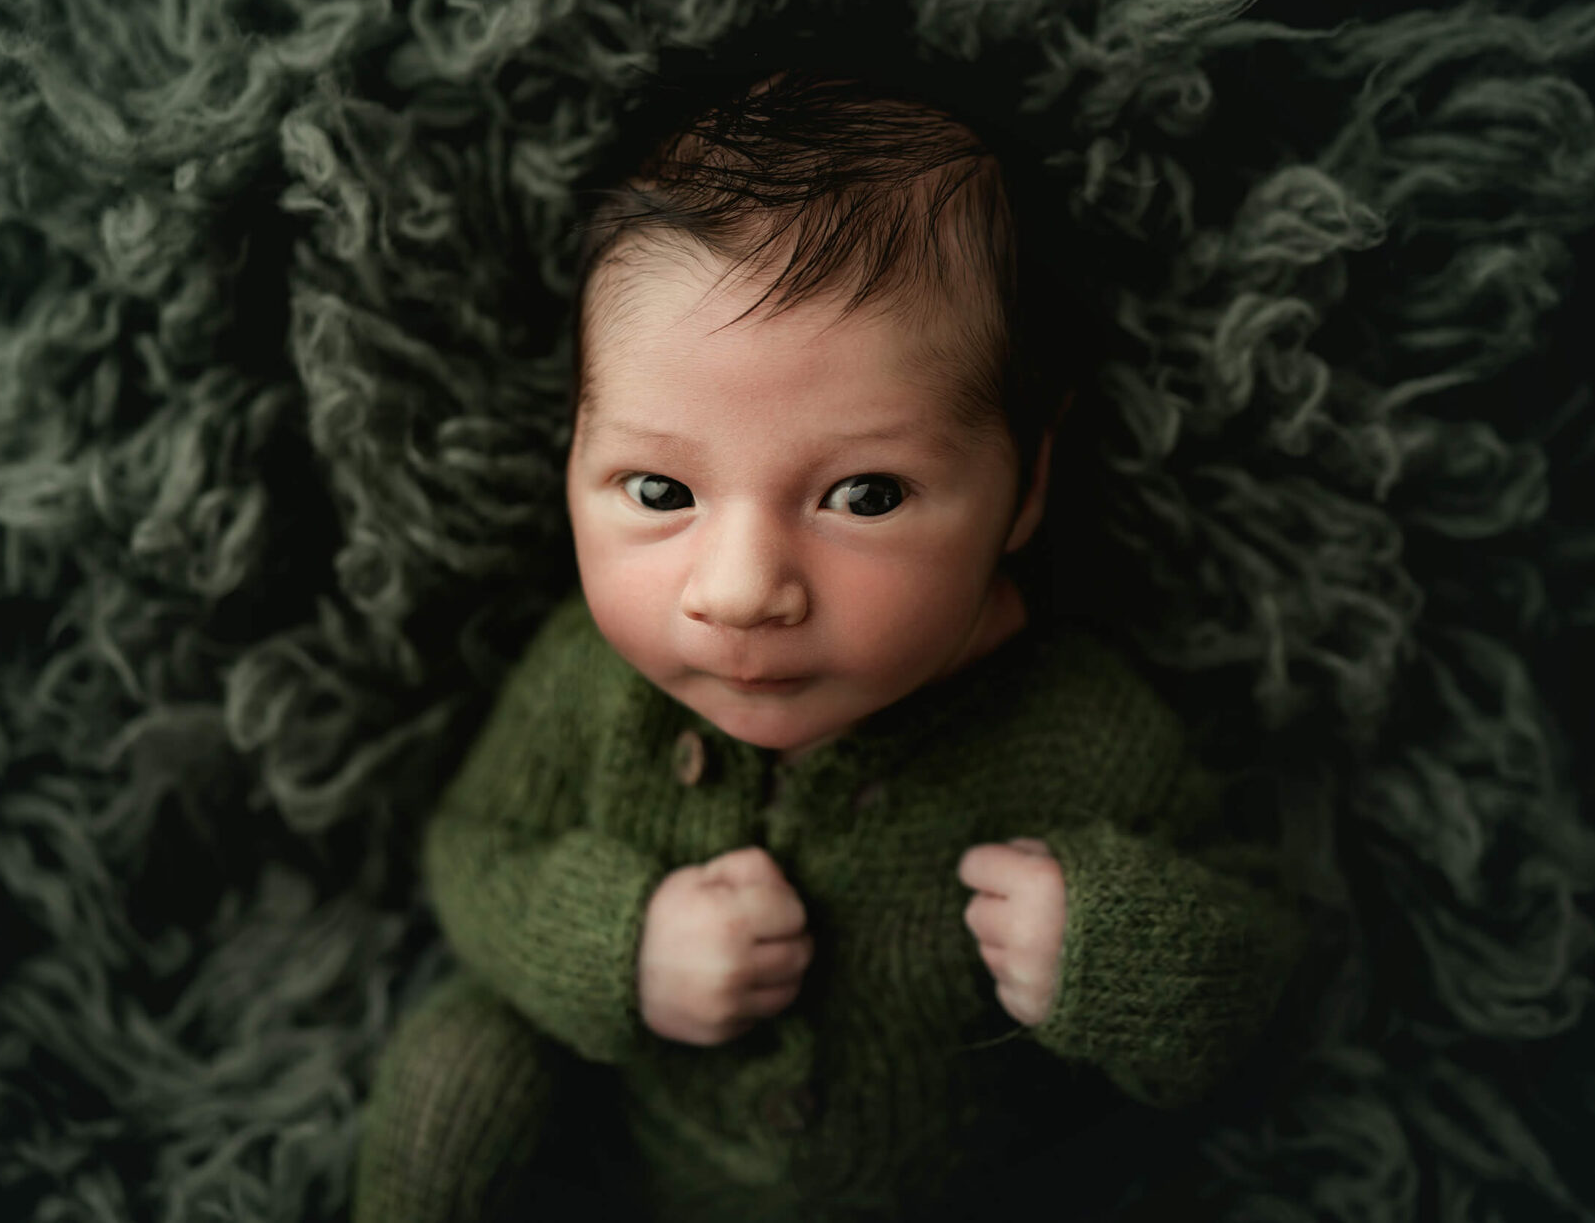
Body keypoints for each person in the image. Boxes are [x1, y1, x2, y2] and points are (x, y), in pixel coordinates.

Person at [353, 67, 1311, 1223]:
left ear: (1022, 489)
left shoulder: (1074, 730)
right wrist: (619, 947)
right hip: (620, 1165)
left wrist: (1116, 950)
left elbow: (1265, 953)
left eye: (863, 496)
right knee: (458, 1069)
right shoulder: (590, 683)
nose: (744, 589)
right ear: (570, 459)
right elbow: (472, 848)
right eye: (659, 488)